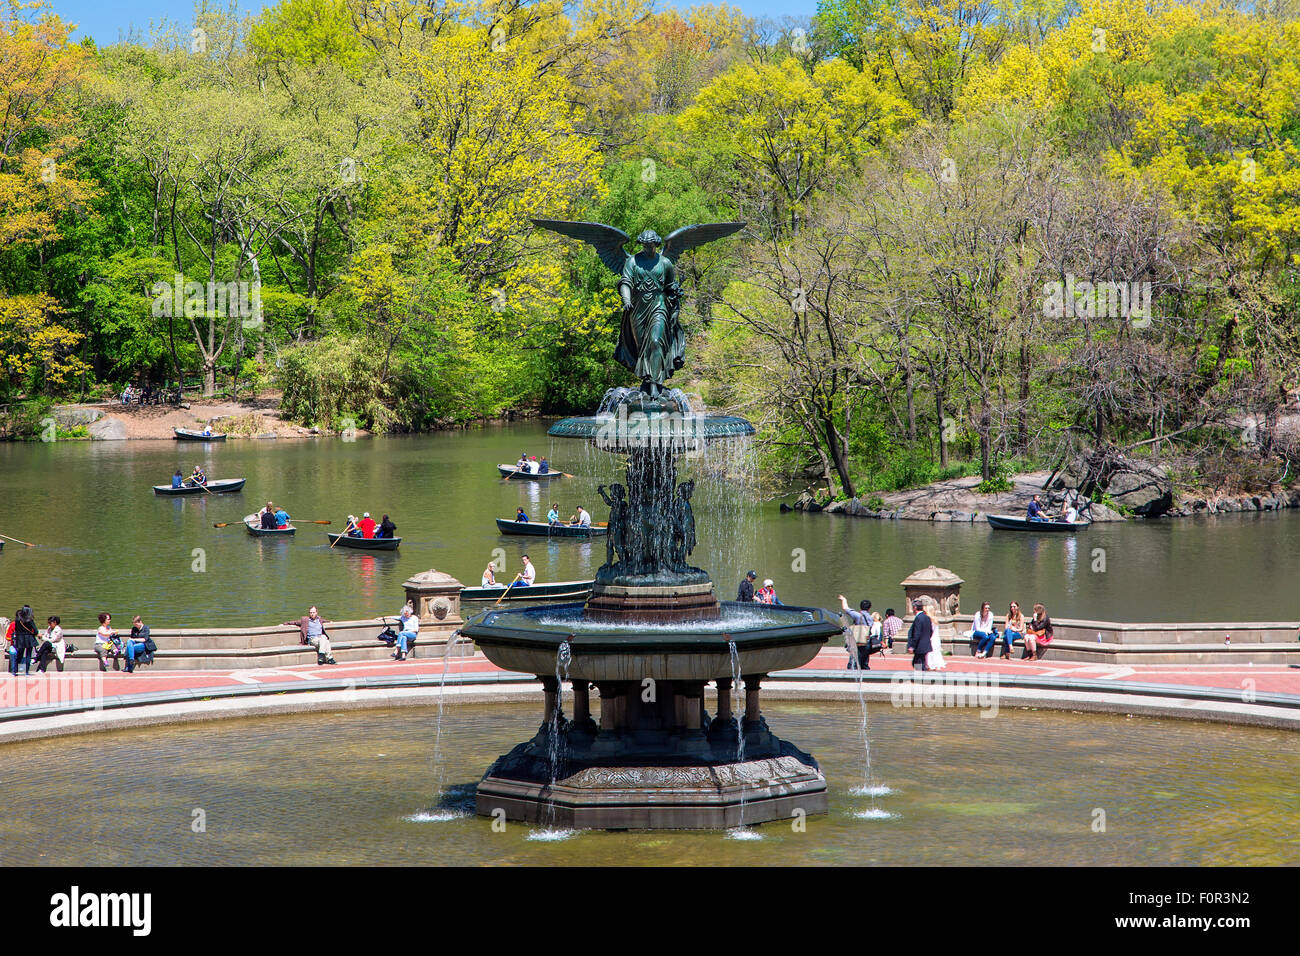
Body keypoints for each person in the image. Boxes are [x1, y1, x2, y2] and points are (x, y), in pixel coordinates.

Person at [838, 595, 881, 669]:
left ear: (860, 607)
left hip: (857, 640)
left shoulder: (857, 615)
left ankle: (851, 677)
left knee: (853, 662)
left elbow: (845, 608)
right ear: (869, 608)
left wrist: (843, 599)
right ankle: (866, 677)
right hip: (867, 640)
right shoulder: (870, 618)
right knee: (864, 663)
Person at [11, 606, 38, 676]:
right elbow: (35, 631)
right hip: (28, 638)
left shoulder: (17, 620)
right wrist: (33, 634)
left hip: (20, 638)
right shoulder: (30, 620)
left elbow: (16, 630)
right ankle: (26, 672)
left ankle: (15, 670)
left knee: (19, 654)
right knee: (28, 655)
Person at [906, 599, 933, 671]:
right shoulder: (927, 617)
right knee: (921, 662)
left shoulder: (918, 618)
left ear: (915, 608)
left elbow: (916, 634)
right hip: (925, 644)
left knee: (917, 663)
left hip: (919, 646)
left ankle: (920, 677)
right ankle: (922, 676)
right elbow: (931, 631)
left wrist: (912, 646)